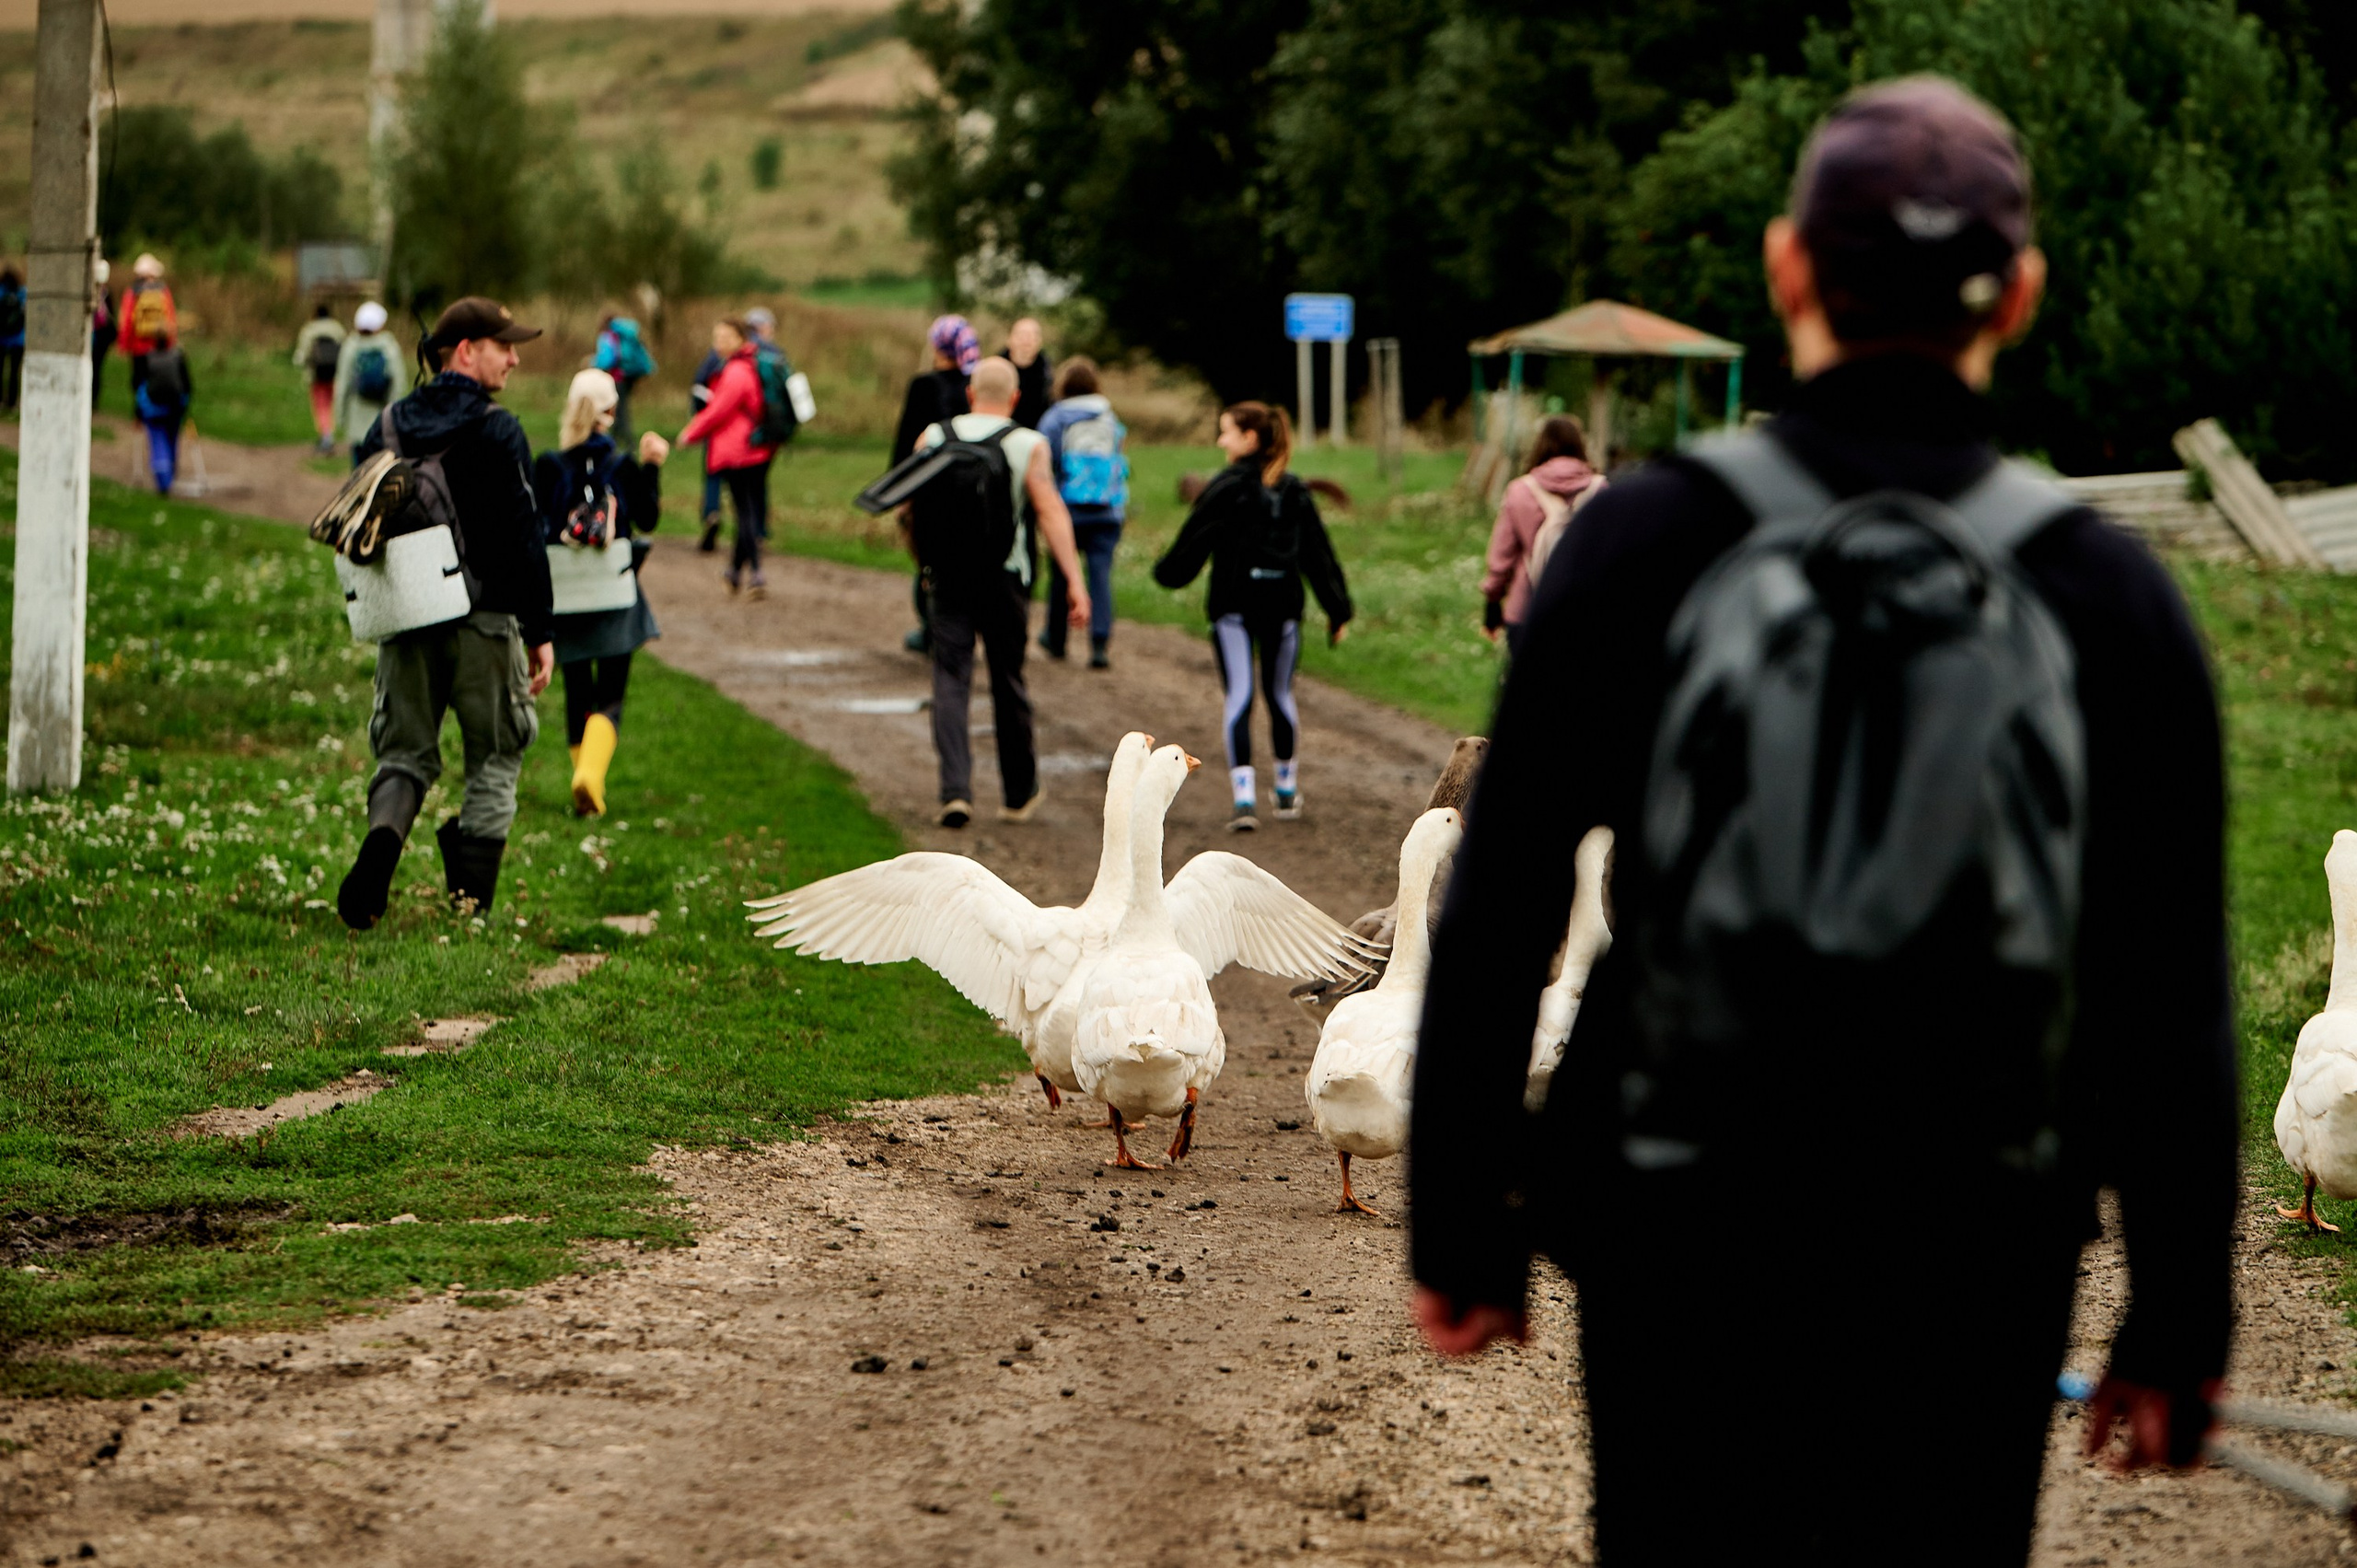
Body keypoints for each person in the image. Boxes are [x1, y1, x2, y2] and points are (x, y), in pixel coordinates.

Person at [1408, 76, 2235, 1567]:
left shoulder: (1648, 539)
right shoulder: (2105, 594)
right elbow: (2168, 984)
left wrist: (1464, 1220)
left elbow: (1503, 893)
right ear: (2021, 296)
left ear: (1788, 268)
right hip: (1977, 1240)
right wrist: (2179, 1318)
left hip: (1679, 1220)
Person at [337, 296, 555, 931]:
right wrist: (540, 631)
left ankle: (382, 849)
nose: (514, 359)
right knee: (497, 751)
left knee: (403, 754)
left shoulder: (385, 427)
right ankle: (470, 901)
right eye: (503, 346)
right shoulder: (498, 428)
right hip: (485, 619)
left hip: (407, 615)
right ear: (465, 352)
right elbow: (526, 536)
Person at [1153, 401, 1353, 830]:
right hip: (1284, 609)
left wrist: (1167, 573)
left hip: (1233, 611)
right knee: (1280, 696)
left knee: (1240, 697)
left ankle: (1244, 800)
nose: (1220, 440)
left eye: (1226, 431)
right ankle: (1286, 792)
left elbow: (1193, 541)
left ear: (1249, 438)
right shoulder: (1295, 490)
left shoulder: (1226, 487)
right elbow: (1319, 555)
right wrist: (1338, 609)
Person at [910, 354, 1089, 828]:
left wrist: (923, 563)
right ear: (1015, 398)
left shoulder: (933, 437)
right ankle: (1017, 793)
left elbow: (909, 509)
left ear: (969, 394)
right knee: (1007, 680)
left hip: (948, 575)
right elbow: (1049, 511)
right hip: (1004, 579)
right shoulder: (1028, 443)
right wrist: (1075, 581)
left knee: (950, 679)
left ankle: (955, 791)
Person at [533, 368, 668, 819]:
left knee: (577, 687)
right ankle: (590, 777)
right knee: (611, 692)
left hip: (566, 596)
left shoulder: (549, 466)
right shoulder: (622, 466)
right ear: (610, 412)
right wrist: (652, 466)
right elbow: (647, 519)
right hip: (614, 592)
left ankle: (584, 783)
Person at [1479, 415, 1605, 656]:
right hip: (1584, 612)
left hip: (1526, 610)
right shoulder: (1600, 489)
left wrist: (1493, 604)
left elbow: (1502, 556)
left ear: (1540, 444)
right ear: (1579, 444)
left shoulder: (1520, 490)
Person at [1035, 355, 1128, 668]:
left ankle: (1056, 638)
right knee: (1100, 575)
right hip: (1107, 510)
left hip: (1067, 509)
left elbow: (1045, 461)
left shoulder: (1055, 417)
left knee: (1063, 572)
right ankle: (1099, 644)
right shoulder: (1109, 416)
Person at [892, 315, 978, 652]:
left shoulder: (924, 385)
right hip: (971, 488)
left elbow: (906, 443)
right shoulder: (974, 385)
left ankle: (931, 630)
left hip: (930, 488)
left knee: (928, 559)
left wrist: (900, 493)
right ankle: (961, 630)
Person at [677, 316, 774, 597]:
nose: (719, 343)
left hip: (739, 451)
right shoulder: (749, 365)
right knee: (748, 510)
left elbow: (719, 410)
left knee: (745, 513)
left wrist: (690, 434)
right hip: (755, 449)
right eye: (716, 337)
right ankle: (734, 572)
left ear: (741, 339)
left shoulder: (736, 371)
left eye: (725, 338)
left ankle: (756, 574)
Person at [332, 301, 410, 461]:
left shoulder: (351, 347)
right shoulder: (389, 347)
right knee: (382, 469)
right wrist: (396, 419)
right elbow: (398, 384)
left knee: (359, 469)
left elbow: (343, 385)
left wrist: (340, 416)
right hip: (383, 424)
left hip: (357, 424)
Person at [134, 326, 192, 495]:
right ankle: (170, 474)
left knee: (158, 441)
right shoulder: (178, 356)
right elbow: (187, 385)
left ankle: (163, 480)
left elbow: (139, 385)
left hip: (153, 409)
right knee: (172, 440)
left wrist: (138, 412)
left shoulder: (146, 358)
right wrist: (185, 405)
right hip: (175, 408)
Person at [117, 253, 178, 402]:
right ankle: (154, 408)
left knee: (138, 379)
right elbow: (170, 318)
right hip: (157, 345)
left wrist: (124, 344)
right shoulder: (163, 291)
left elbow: (127, 320)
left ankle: (140, 409)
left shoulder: (133, 292)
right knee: (154, 377)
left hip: (137, 346)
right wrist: (170, 342)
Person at [593, 313, 656, 445]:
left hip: (617, 376)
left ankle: (628, 441)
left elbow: (607, 359)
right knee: (620, 406)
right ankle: (615, 438)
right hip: (629, 375)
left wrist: (593, 363)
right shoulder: (624, 334)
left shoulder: (608, 336)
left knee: (620, 408)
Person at [292, 303, 347, 452]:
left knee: (321, 406)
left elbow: (302, 355)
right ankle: (332, 433)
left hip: (317, 375)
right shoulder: (337, 328)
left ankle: (326, 436)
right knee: (332, 405)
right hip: (335, 374)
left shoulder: (310, 329)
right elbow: (345, 349)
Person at [1002, 315, 1051, 431]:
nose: (1026, 341)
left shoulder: (1049, 377)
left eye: (1031, 336)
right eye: (1021, 335)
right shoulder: (996, 371)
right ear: (1009, 339)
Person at [89, 258, 114, 412]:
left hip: (97, 336)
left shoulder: (101, 293)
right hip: (101, 336)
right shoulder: (106, 293)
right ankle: (93, 400)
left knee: (94, 368)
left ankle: (92, 399)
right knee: (96, 368)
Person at [0, 266, 25, 412]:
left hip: (2, 338)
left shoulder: (1, 291)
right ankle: (12, 401)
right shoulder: (22, 292)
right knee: (14, 372)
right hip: (18, 339)